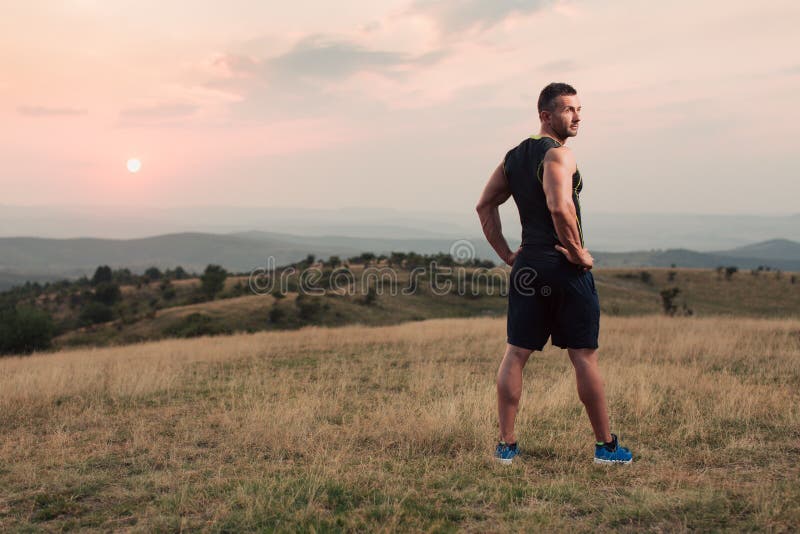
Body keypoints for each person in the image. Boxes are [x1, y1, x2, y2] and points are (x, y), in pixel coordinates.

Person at [475, 82, 632, 465]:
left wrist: (509, 255)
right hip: (564, 267)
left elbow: (484, 206)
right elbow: (560, 206)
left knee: (516, 353)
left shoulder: (512, 157)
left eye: (579, 109)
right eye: (567, 110)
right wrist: (579, 253)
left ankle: (507, 447)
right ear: (545, 116)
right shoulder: (559, 155)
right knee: (583, 356)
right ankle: (606, 449)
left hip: (529, 266)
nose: (576, 116)